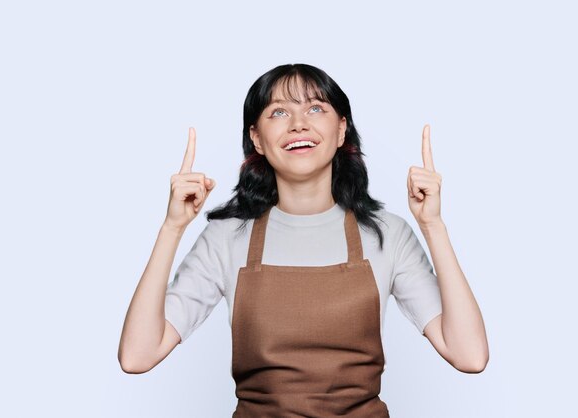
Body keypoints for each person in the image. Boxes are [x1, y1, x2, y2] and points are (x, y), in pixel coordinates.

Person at [118, 63, 489, 417]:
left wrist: (433, 226)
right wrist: (172, 227)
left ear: (342, 130)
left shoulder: (387, 235)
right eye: (278, 112)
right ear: (257, 139)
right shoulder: (226, 237)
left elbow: (469, 355)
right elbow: (137, 355)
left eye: (315, 108)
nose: (298, 124)